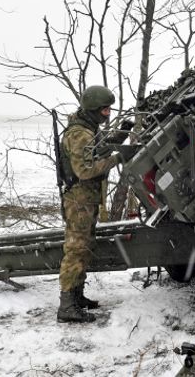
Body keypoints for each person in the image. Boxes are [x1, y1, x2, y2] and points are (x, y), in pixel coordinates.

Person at [57, 85, 124, 323]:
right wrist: (117, 159)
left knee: (84, 248)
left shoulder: (89, 129)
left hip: (86, 199)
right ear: (94, 109)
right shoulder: (80, 134)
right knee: (76, 250)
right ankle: (67, 306)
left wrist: (120, 136)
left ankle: (77, 296)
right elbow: (84, 171)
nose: (108, 113)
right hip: (79, 200)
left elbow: (98, 149)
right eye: (104, 110)